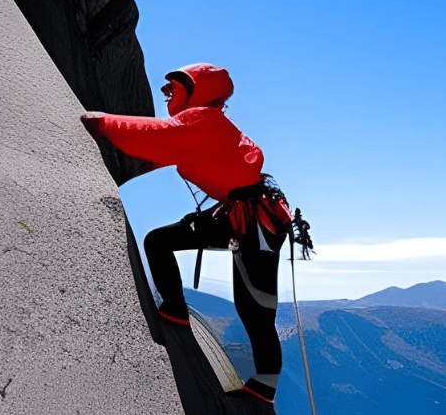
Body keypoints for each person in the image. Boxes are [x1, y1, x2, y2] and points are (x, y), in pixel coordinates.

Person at [80, 63, 294, 404]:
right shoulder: (201, 124)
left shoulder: (202, 120)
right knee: (160, 241)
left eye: (174, 89)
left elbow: (158, 136)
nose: (167, 94)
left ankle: (265, 386)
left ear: (199, 92)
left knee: (255, 306)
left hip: (256, 222)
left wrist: (103, 124)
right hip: (235, 211)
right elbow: (174, 147)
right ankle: (176, 308)